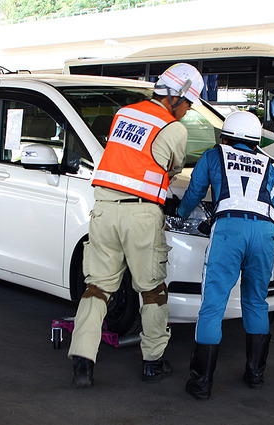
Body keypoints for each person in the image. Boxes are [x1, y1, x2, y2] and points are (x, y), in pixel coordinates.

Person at [68, 63, 204, 388]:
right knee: (153, 290)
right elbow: (171, 169)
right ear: (177, 96)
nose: (187, 111)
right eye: (188, 103)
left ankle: (83, 361)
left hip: (103, 210)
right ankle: (152, 363)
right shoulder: (173, 129)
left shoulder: (124, 114)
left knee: (97, 287)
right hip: (141, 215)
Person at [178, 111, 274, 400]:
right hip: (264, 233)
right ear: (256, 140)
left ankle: (201, 384)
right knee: (256, 302)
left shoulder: (214, 156)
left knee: (213, 306)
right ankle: (256, 375)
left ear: (225, 137)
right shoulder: (271, 166)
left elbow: (195, 192)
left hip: (229, 231)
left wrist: (179, 212)